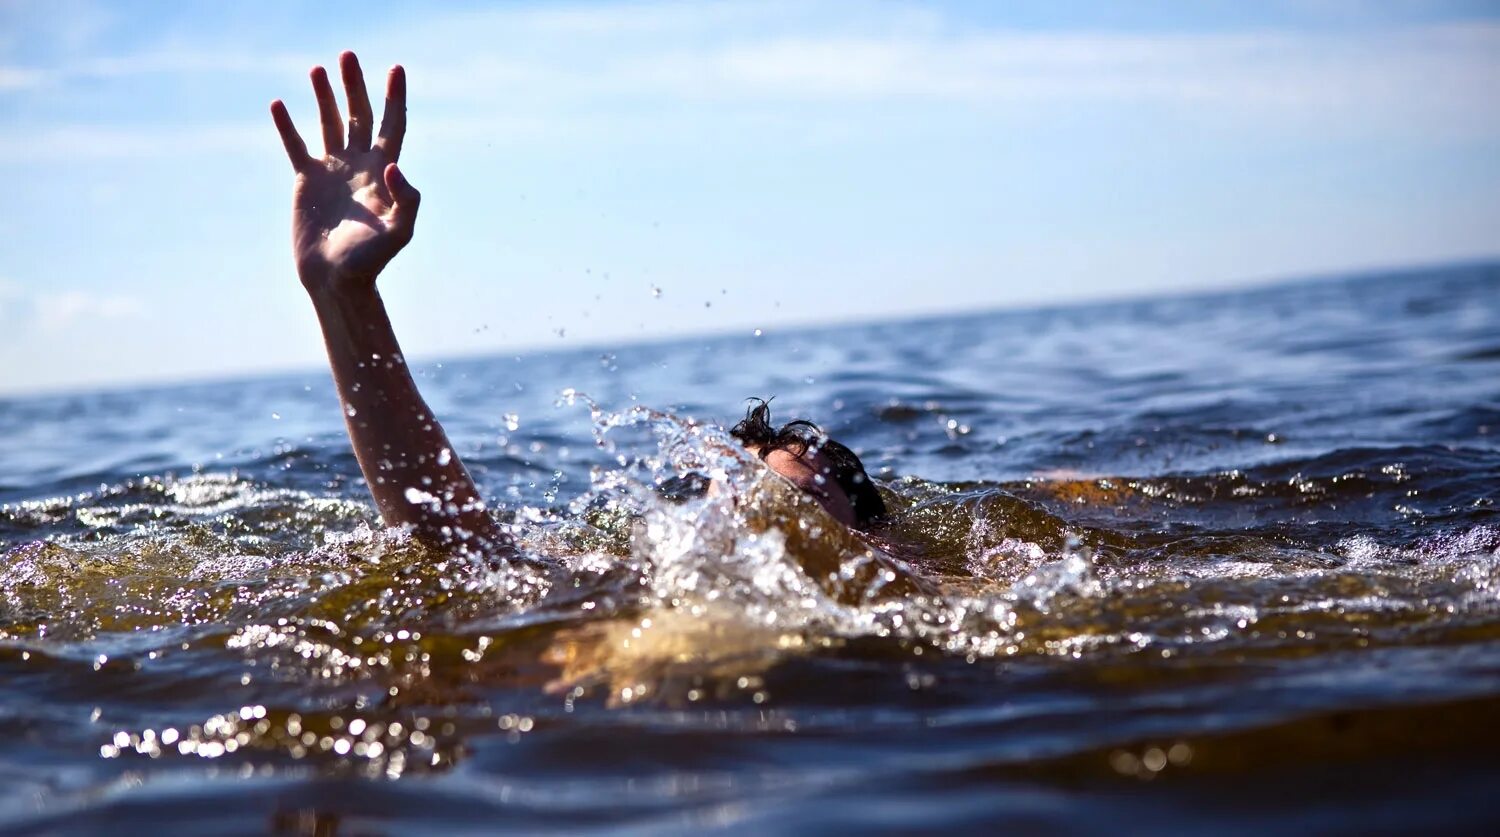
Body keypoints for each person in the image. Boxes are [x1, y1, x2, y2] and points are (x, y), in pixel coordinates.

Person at [269, 52, 885, 557]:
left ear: (874, 546)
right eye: (742, 494)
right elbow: (459, 550)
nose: (757, 512)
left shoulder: (907, 604)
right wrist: (342, 296)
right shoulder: (629, 588)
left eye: (798, 500)